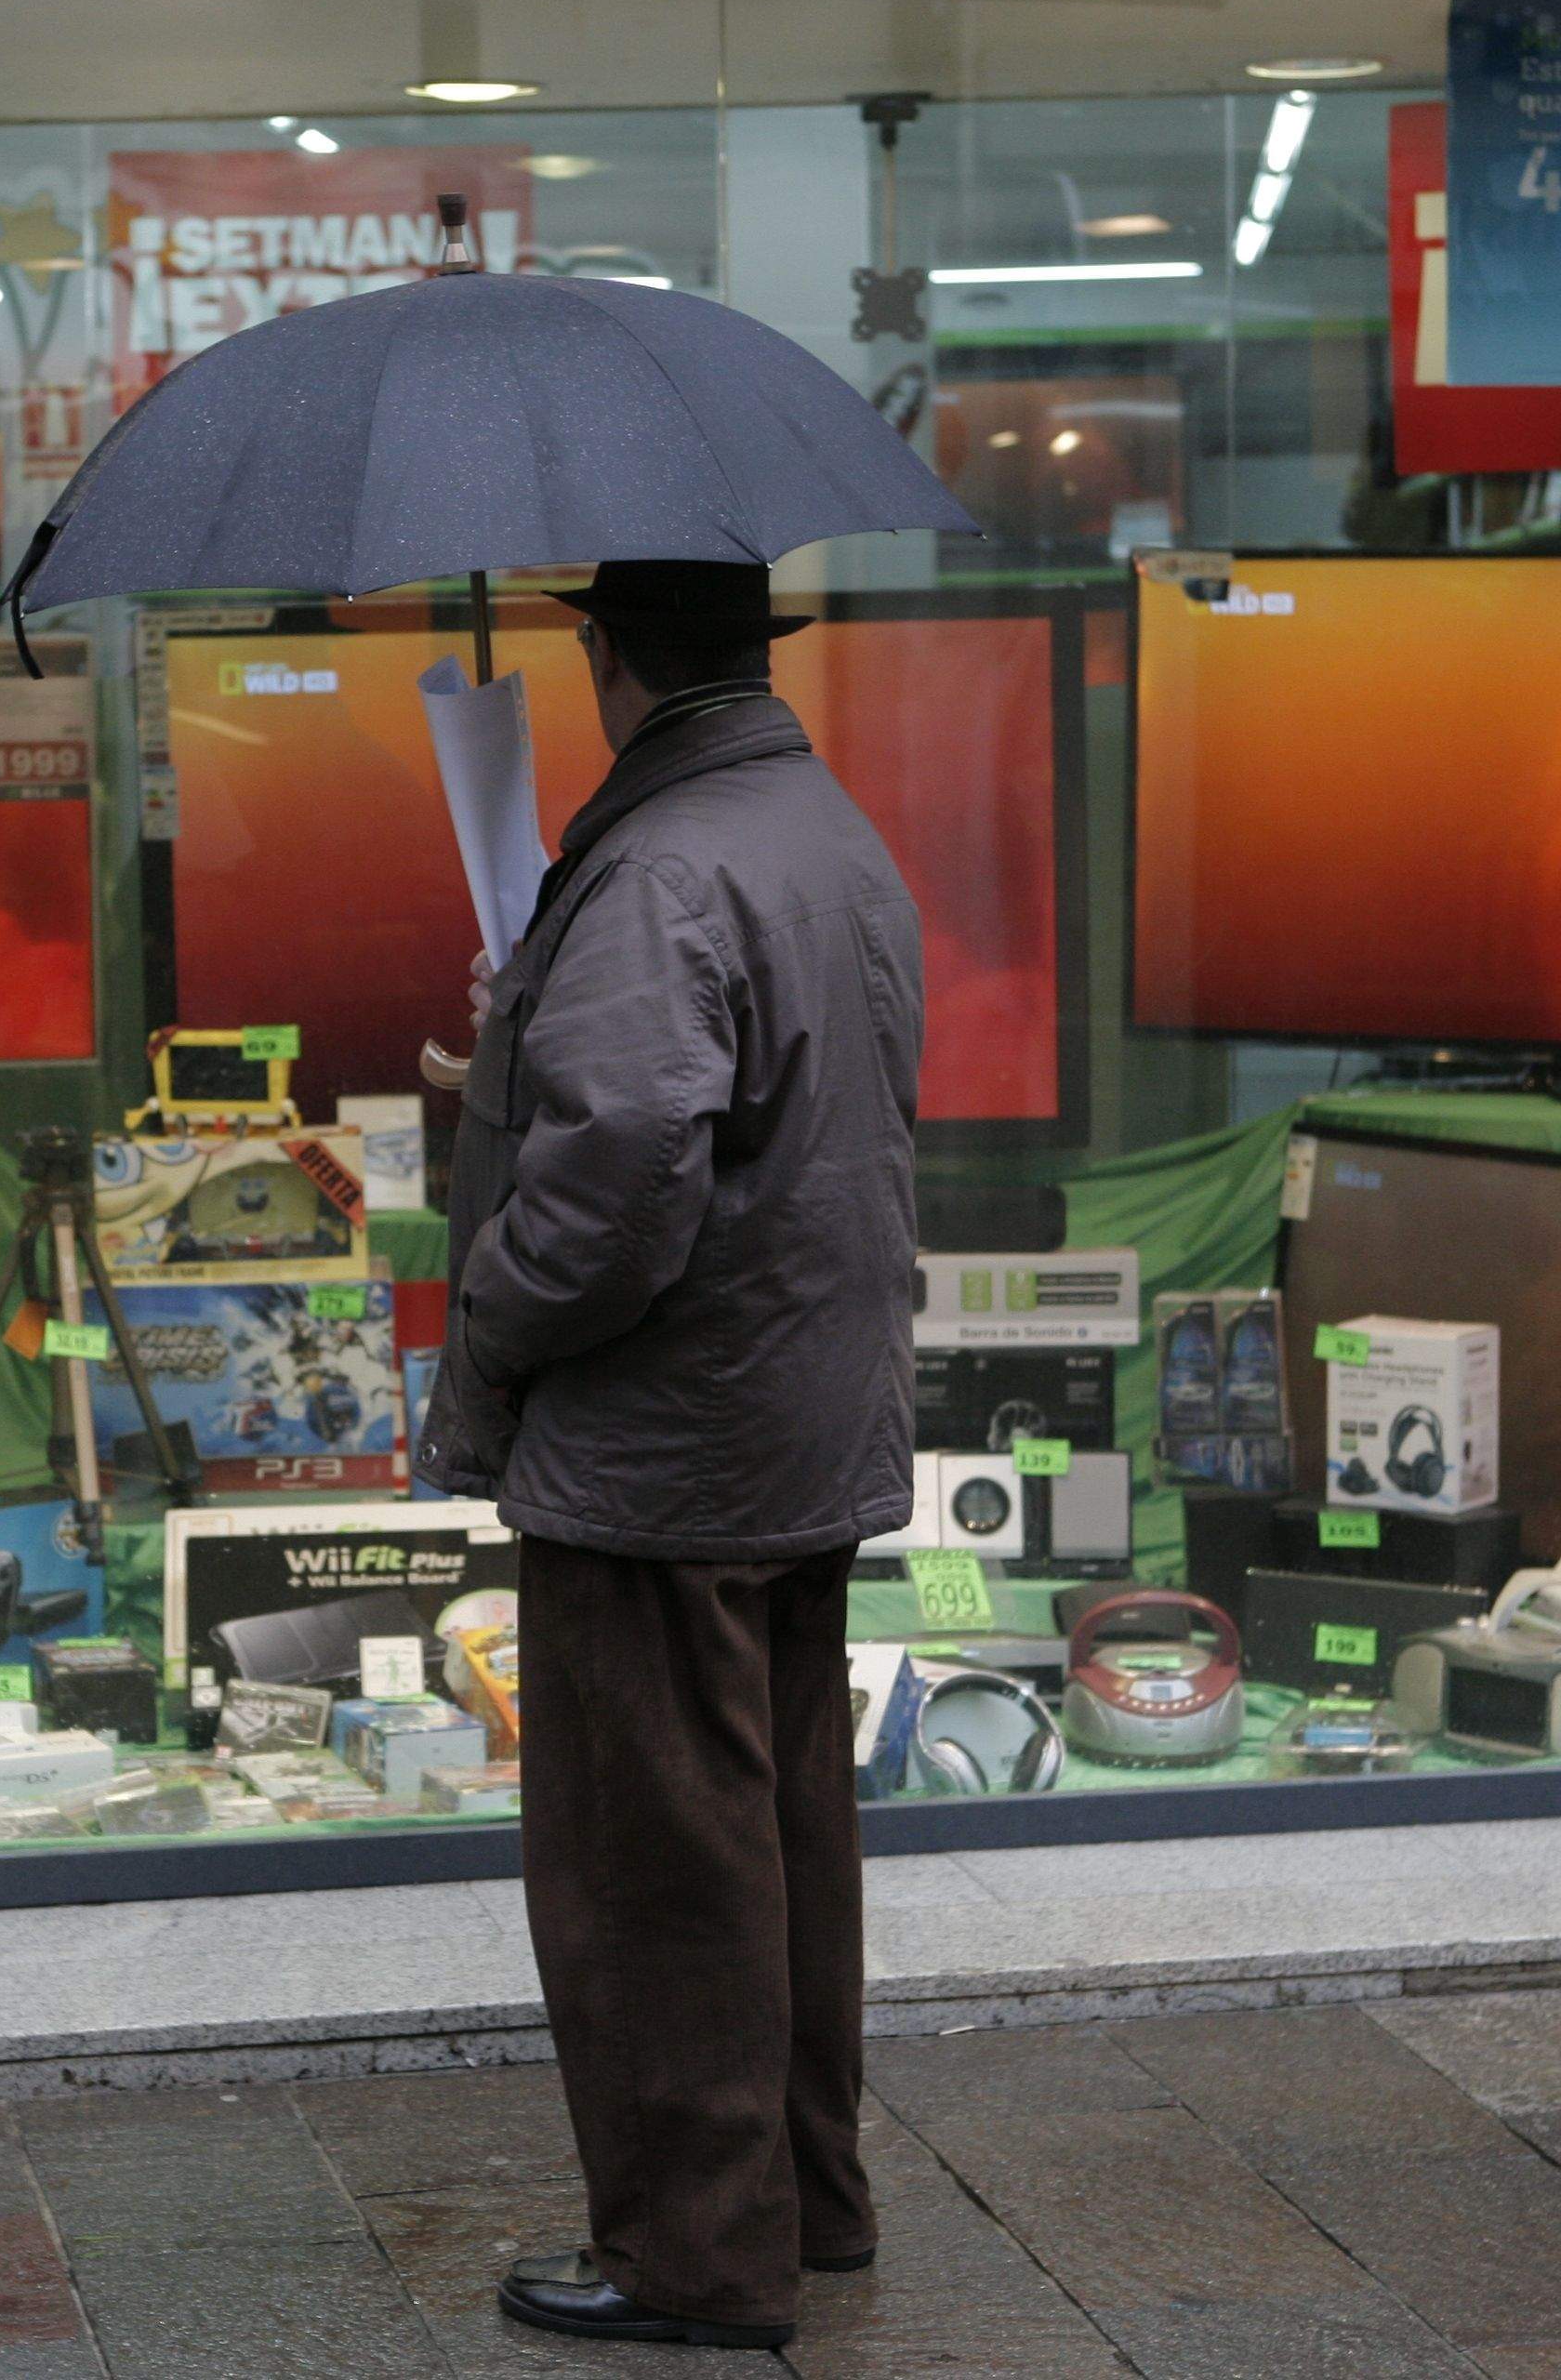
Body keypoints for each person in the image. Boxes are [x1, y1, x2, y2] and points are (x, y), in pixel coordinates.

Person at [411, 554, 925, 2352]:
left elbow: (625, 1166)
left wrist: (494, 1313)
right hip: (798, 1417)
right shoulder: (819, 825)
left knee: (657, 1864)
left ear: (602, 653)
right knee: (785, 1827)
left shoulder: (654, 863)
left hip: (668, 1451)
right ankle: (810, 2200)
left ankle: (701, 2256)